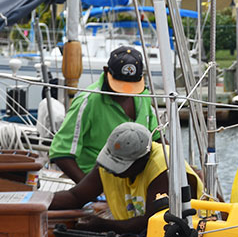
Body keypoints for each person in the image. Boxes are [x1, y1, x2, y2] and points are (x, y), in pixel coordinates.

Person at [50, 122, 203, 237]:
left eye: (119, 166)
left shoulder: (163, 167)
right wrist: (35, 200)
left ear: (141, 161)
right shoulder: (110, 163)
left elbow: (151, 223)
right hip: (136, 233)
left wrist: (103, 225)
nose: (110, 170)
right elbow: (75, 196)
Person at [48, 46, 160, 182]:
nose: (124, 94)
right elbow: (60, 152)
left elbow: (157, 138)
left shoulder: (143, 96)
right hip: (98, 179)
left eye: (130, 88)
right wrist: (89, 191)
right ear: (106, 71)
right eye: (119, 87)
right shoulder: (88, 101)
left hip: (137, 181)